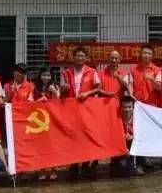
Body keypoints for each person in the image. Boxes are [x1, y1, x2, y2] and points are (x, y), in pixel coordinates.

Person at [60, 47, 101, 179]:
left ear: (85, 58)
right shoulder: (66, 72)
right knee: (72, 138)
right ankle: (73, 166)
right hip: (71, 111)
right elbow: (61, 92)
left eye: (82, 56)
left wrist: (88, 93)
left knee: (85, 137)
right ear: (73, 57)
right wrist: (63, 89)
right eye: (77, 55)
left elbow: (98, 88)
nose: (80, 58)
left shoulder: (92, 71)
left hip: (86, 110)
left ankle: (85, 165)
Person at [110, 96, 145, 177]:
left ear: (133, 108)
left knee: (136, 172)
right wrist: (123, 144)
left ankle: (139, 164)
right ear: (121, 108)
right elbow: (112, 137)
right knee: (124, 171)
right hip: (121, 148)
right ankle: (115, 164)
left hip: (134, 147)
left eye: (129, 107)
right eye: (124, 107)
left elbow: (143, 135)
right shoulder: (116, 120)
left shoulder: (138, 119)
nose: (127, 110)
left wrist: (134, 137)